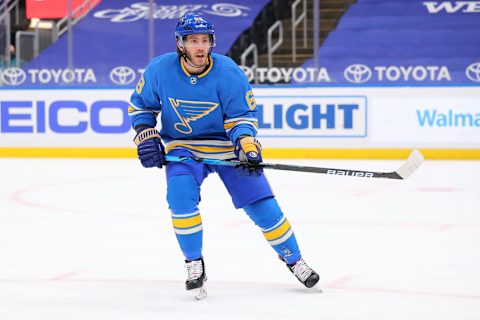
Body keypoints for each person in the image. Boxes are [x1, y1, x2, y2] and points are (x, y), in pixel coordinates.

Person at [128, 12, 319, 300]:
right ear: (181, 44)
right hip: (184, 149)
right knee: (180, 198)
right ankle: (194, 263)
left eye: (205, 40)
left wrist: (246, 144)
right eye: (194, 41)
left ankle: (295, 260)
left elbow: (241, 115)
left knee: (263, 207)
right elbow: (142, 107)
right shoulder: (159, 70)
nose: (201, 47)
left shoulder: (228, 71)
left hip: (226, 148)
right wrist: (146, 134)